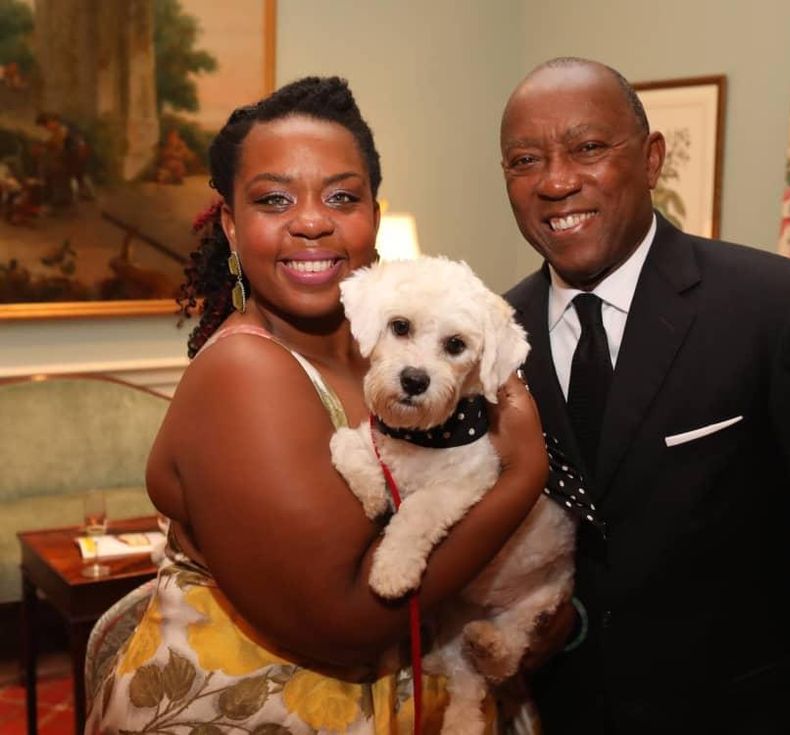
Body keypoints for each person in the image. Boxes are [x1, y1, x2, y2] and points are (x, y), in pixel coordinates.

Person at [86, 76, 548, 734]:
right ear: (231, 224)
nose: (311, 220)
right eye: (274, 199)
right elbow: (344, 626)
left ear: (374, 217)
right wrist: (524, 472)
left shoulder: (385, 354)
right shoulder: (246, 372)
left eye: (341, 197)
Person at [501, 58, 790, 734]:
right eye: (525, 160)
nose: (555, 180)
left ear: (651, 158)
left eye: (589, 147)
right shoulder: (493, 337)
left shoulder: (779, 312)